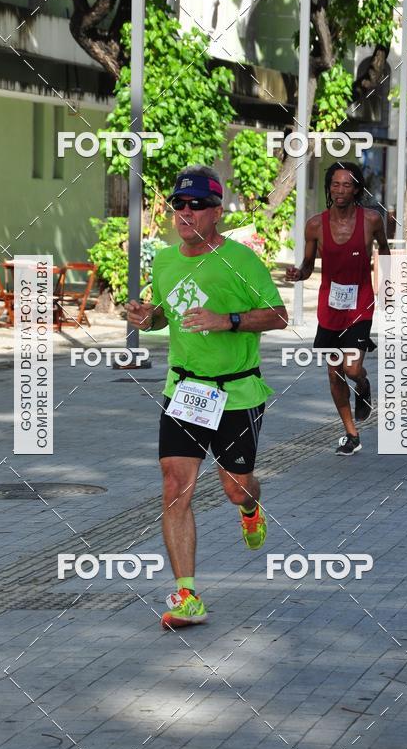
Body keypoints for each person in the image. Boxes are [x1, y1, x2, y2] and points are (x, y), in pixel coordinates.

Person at [126, 165, 288, 629]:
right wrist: (146, 317)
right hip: (184, 390)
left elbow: (277, 315)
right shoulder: (164, 260)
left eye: (197, 204)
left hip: (236, 390)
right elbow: (164, 314)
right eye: (179, 204)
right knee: (175, 488)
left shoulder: (241, 259)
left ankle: (251, 507)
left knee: (235, 487)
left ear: (217, 211)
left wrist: (228, 320)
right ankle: (187, 596)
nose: (185, 212)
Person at [285, 161, 390, 456]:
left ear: (356, 188)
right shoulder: (315, 225)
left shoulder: (371, 219)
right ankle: (351, 434)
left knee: (351, 367)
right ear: (328, 188)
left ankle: (363, 383)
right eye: (335, 184)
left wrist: (389, 285)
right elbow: (308, 267)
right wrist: (298, 274)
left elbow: (384, 249)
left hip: (360, 304)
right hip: (329, 308)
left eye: (347, 184)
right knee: (334, 373)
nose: (340, 190)